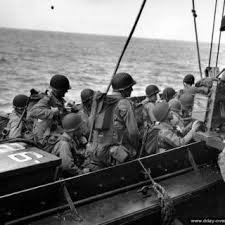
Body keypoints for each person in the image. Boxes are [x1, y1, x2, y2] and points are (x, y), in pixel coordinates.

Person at [87, 72, 140, 171]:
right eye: (130, 87)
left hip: (93, 151)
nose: (132, 90)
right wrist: (134, 149)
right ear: (124, 90)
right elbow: (134, 133)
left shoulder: (99, 101)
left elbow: (90, 125)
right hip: (113, 154)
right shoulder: (124, 103)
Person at [28, 74, 71, 145]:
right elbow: (33, 112)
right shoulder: (46, 99)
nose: (66, 92)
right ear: (58, 90)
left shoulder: (60, 100)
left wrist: (66, 110)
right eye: (65, 90)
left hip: (55, 131)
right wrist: (54, 112)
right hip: (45, 137)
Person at [51, 113, 89, 177]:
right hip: (64, 177)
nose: (82, 130)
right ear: (74, 130)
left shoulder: (71, 139)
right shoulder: (64, 144)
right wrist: (81, 172)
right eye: (80, 128)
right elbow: (67, 166)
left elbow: (75, 153)